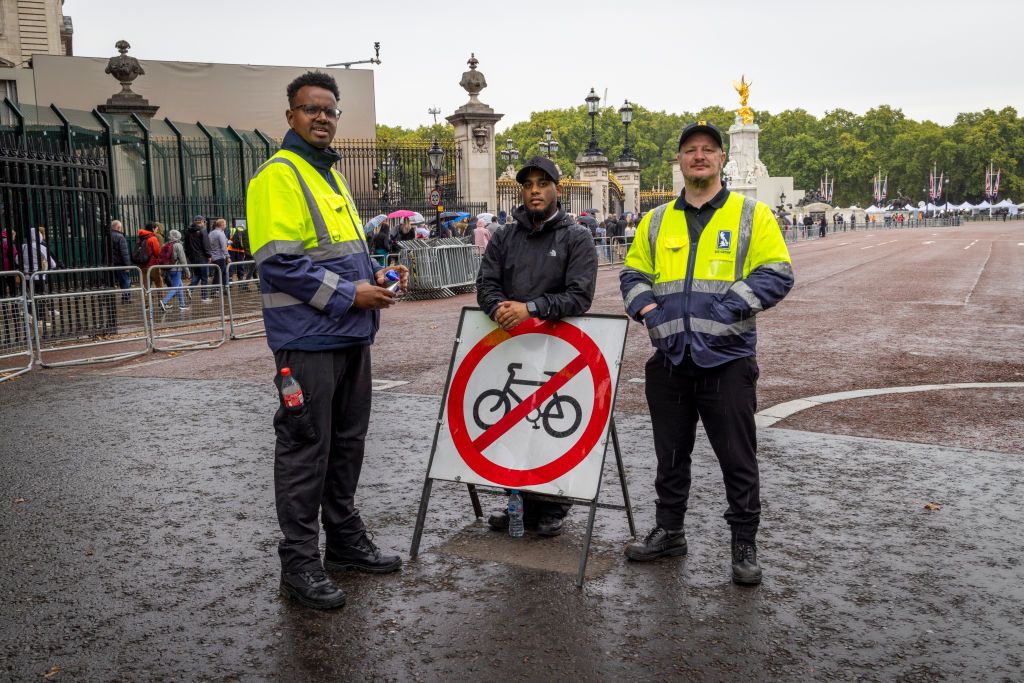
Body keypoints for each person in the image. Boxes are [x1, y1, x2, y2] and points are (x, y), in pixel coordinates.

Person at [246, 70, 408, 610]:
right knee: (304, 448)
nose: (322, 117)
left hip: (347, 334)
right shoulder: (279, 175)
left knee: (346, 445)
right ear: (290, 116)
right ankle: (299, 562)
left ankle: (342, 540)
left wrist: (378, 279)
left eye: (330, 110)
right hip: (307, 339)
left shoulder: (330, 176)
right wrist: (351, 295)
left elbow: (338, 255)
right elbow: (279, 264)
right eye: (311, 109)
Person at [619, 121, 794, 585]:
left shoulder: (751, 215)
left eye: (708, 150)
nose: (699, 156)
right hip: (670, 358)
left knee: (738, 457)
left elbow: (776, 273)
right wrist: (651, 313)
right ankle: (670, 530)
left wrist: (726, 308)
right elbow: (632, 274)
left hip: (728, 359)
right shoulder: (656, 220)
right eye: (690, 150)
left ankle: (744, 543)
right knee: (669, 456)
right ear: (679, 161)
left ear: (722, 159)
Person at [476, 155, 598, 537]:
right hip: (511, 344)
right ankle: (520, 503)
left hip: (558, 347)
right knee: (513, 425)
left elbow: (579, 296)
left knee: (550, 427)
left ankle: (553, 504)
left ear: (556, 189)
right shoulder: (504, 236)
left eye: (542, 184)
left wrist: (531, 308)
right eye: (527, 185)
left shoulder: (576, 237)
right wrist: (498, 308)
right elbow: (486, 284)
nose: (534, 191)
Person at [158, 229, 191, 312]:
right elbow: (183, 260)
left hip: (168, 269)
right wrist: (187, 272)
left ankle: (182, 305)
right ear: (179, 236)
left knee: (180, 286)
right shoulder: (178, 245)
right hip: (176, 269)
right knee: (176, 287)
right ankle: (164, 301)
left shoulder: (166, 244)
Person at [184, 216, 211, 300]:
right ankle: (204, 297)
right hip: (202, 257)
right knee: (204, 277)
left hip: (193, 258)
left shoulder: (188, 231)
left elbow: (186, 245)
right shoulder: (203, 230)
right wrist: (209, 256)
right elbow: (206, 245)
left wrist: (189, 256)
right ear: (202, 222)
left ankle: (190, 288)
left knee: (197, 275)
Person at [109, 220, 132, 301]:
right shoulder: (120, 237)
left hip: (111, 264)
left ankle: (109, 299)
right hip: (120, 263)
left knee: (110, 282)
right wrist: (127, 265)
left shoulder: (108, 236)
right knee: (126, 281)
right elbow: (124, 253)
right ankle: (126, 298)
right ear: (118, 227)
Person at [136, 222, 162, 290]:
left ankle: (146, 300)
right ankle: (161, 299)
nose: (156, 230)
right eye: (156, 229)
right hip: (152, 265)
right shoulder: (153, 238)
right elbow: (157, 252)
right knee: (159, 283)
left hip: (142, 265)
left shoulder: (140, 238)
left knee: (145, 286)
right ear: (153, 229)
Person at [208, 218, 230, 290]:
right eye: (225, 224)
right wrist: (228, 256)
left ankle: (225, 288)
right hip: (220, 257)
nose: (226, 226)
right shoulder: (220, 234)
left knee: (223, 273)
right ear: (222, 225)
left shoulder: (211, 233)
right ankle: (214, 290)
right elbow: (223, 247)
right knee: (219, 274)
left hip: (213, 256)